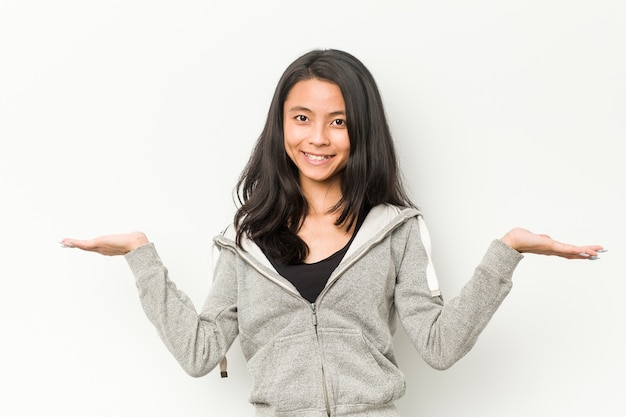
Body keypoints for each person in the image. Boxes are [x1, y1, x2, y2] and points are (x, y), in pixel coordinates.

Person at [61, 49, 604, 417]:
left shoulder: (395, 231)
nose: (317, 137)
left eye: (338, 121)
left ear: (360, 130)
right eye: (301, 118)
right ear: (281, 125)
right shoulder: (243, 240)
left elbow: (438, 347)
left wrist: (506, 253)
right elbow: (201, 353)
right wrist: (140, 256)